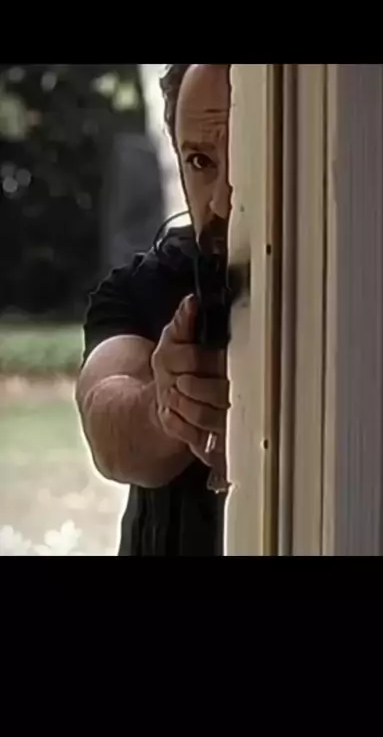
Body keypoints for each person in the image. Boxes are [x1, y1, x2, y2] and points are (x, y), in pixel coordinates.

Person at [76, 64, 232, 556]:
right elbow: (106, 419)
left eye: (246, 158)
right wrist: (165, 406)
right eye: (201, 161)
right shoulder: (147, 285)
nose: (222, 200)